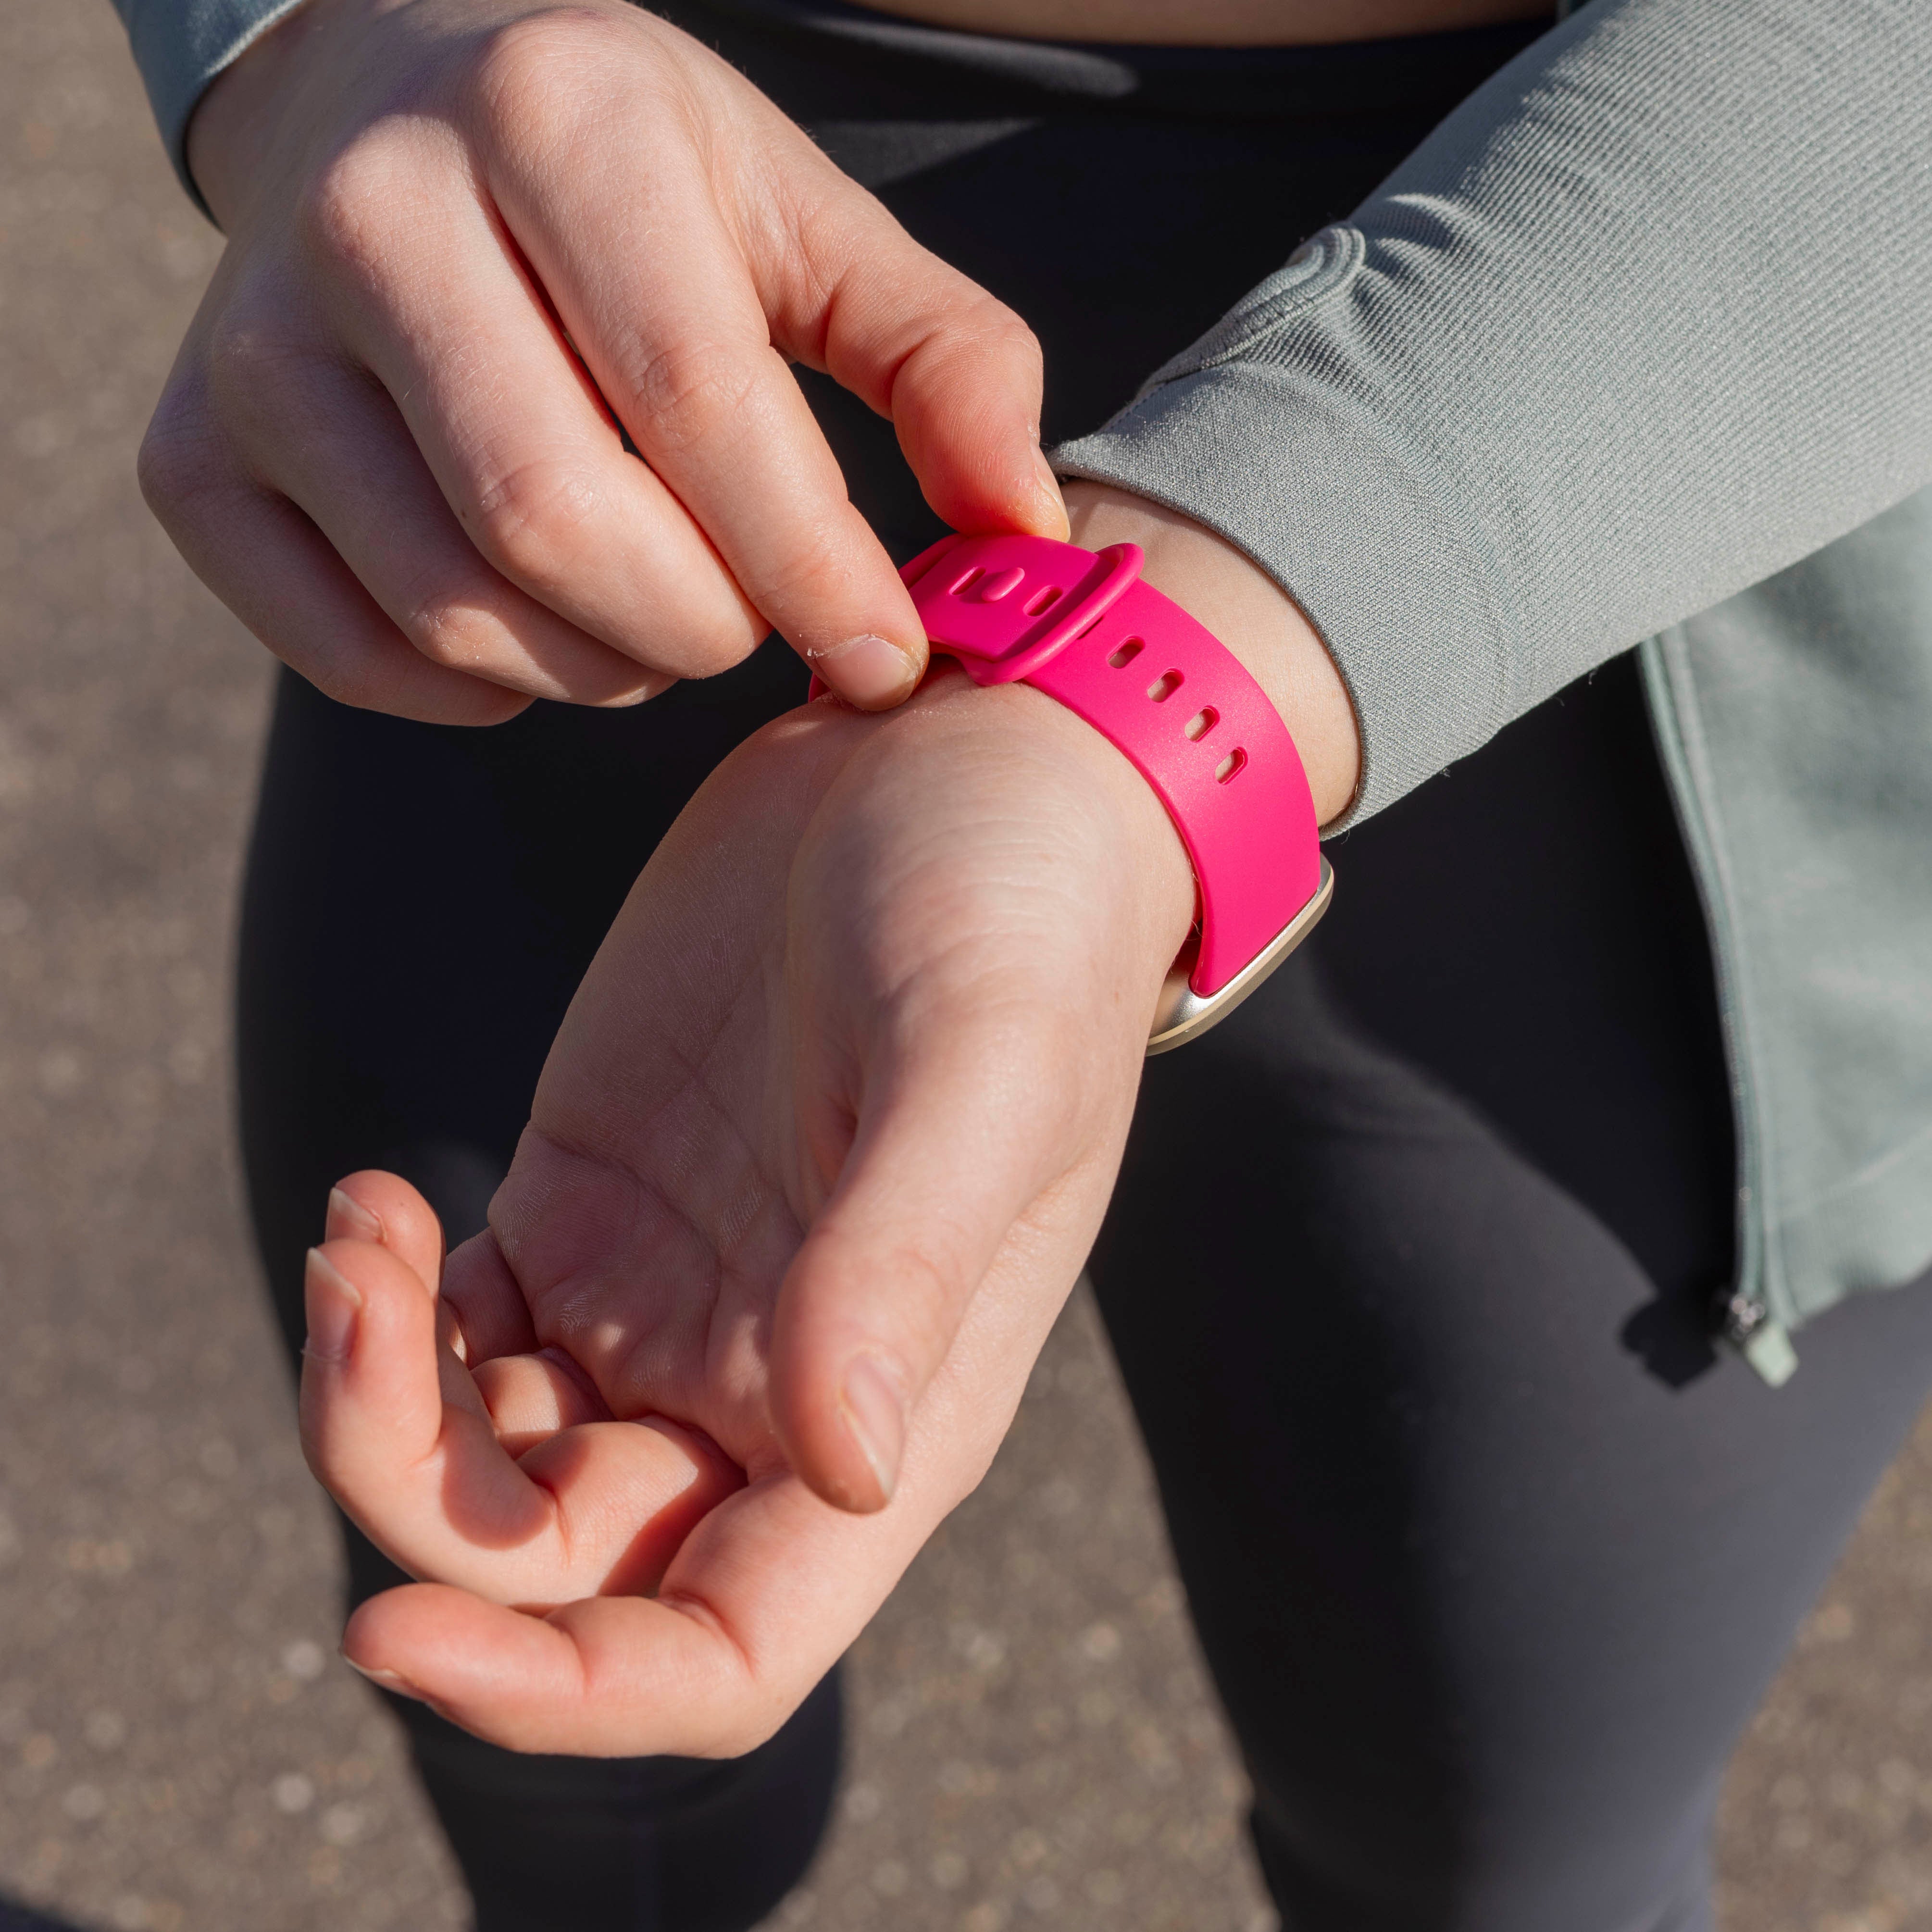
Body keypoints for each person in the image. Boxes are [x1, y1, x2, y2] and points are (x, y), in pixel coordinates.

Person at [110, 0, 1932, 1923]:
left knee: (1497, 1855)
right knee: (543, 1659)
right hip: (555, 369)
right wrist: (313, 46)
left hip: (1667, 437)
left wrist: (1166, 686)